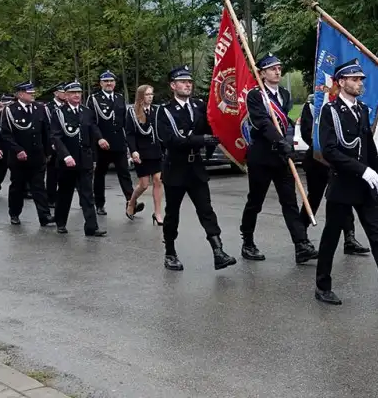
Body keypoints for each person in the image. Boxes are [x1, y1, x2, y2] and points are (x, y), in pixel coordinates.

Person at [313, 59, 378, 308]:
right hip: (342, 185)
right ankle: (322, 286)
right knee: (331, 236)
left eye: (361, 79)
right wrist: (363, 171)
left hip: (364, 186)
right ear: (341, 82)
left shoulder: (361, 109)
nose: (359, 83)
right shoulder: (330, 111)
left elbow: (368, 145)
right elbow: (330, 151)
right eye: (354, 79)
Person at [155, 65, 236, 271]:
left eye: (189, 82)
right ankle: (170, 252)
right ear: (173, 86)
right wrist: (202, 140)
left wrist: (217, 136)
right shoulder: (164, 111)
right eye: (183, 82)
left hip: (196, 167)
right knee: (172, 213)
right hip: (176, 167)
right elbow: (171, 140)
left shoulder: (199, 106)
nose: (188, 85)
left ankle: (218, 251)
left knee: (206, 210)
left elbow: (212, 125)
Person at [239, 54, 317, 264]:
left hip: (281, 157)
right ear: (262, 73)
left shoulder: (284, 94)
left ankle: (301, 244)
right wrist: (280, 141)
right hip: (261, 156)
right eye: (272, 69)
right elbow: (262, 123)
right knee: (255, 201)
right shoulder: (255, 95)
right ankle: (248, 242)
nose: (277, 71)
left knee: (289, 201)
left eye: (279, 68)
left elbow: (284, 122)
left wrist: (288, 142)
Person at [299, 95, 370, 256]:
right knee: (314, 198)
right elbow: (306, 131)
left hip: (340, 161)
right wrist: (323, 147)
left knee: (345, 198)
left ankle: (349, 238)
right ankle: (301, 237)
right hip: (318, 160)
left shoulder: (347, 105)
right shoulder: (314, 103)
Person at [49, 81, 108, 237]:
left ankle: (91, 227)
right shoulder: (59, 113)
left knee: (87, 194)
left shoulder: (86, 111)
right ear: (66, 95)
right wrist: (66, 155)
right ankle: (61, 222)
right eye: (73, 93)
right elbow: (56, 137)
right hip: (67, 160)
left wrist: (100, 139)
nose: (76, 95)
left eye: (78, 92)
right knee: (65, 193)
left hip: (84, 159)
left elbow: (92, 129)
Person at [0, 82, 54, 226]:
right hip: (19, 157)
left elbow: (46, 131)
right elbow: (6, 134)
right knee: (18, 186)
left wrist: (48, 151)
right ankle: (14, 213)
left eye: (33, 92)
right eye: (30, 93)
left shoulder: (40, 108)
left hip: (37, 155)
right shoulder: (10, 110)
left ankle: (45, 216)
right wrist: (17, 150)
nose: (33, 95)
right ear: (20, 94)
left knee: (39, 187)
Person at [91, 71, 139, 216]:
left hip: (118, 143)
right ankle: (99, 204)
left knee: (124, 173)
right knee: (100, 175)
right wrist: (99, 138)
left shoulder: (119, 98)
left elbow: (125, 122)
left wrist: (129, 144)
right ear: (101, 83)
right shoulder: (94, 99)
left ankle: (131, 203)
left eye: (111, 81)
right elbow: (91, 122)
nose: (109, 84)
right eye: (106, 81)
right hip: (102, 144)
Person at [125, 84, 164, 224]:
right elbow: (130, 134)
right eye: (147, 94)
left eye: (151, 94)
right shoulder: (132, 112)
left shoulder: (156, 110)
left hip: (156, 150)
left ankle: (158, 213)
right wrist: (133, 151)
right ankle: (131, 202)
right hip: (141, 152)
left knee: (158, 180)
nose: (150, 97)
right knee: (144, 184)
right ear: (141, 96)